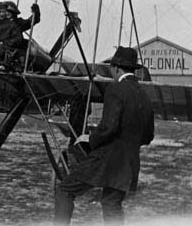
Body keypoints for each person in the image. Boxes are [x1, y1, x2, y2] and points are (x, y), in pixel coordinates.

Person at [54, 46, 155, 226]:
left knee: (65, 190)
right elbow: (148, 136)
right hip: (130, 163)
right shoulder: (145, 96)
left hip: (108, 159)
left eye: (111, 68)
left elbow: (109, 127)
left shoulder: (115, 89)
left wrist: (89, 139)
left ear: (115, 68)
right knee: (111, 203)